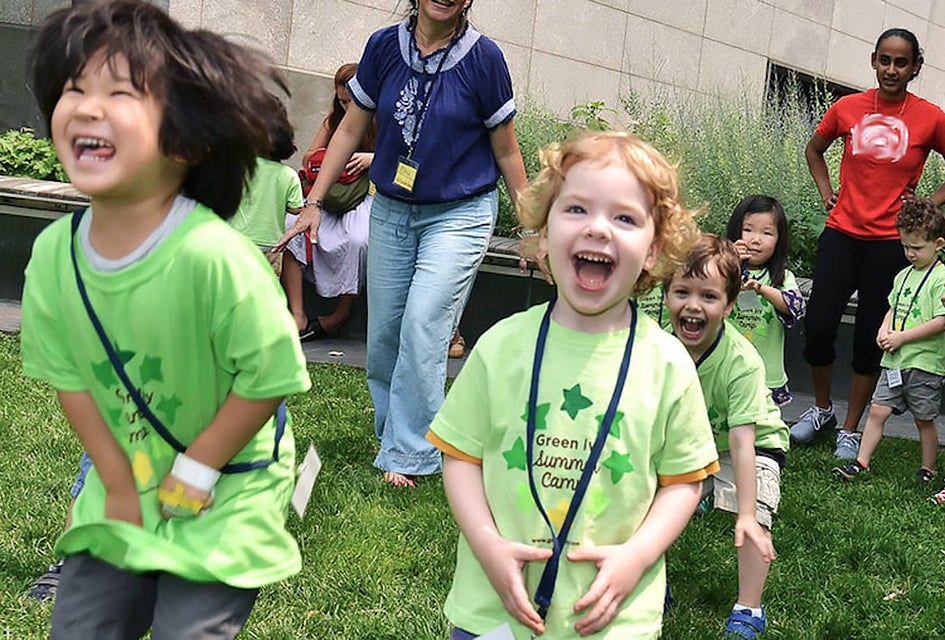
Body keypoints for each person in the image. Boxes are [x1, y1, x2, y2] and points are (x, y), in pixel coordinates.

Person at [20, 2, 312, 637]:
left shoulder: (217, 258)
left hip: (227, 485)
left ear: (182, 140)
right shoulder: (52, 259)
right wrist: (117, 483)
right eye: (74, 89)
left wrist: (201, 465)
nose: (88, 107)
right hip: (125, 478)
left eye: (119, 93)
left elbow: (268, 378)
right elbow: (68, 375)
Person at [427, 130, 719, 639]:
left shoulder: (668, 364)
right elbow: (461, 456)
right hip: (494, 607)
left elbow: (685, 480)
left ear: (653, 250)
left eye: (625, 217)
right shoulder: (499, 347)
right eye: (577, 209)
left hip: (609, 616)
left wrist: (639, 556)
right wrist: (485, 542)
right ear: (543, 233)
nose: (599, 229)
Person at [276, 0, 528, 487]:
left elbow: (506, 148)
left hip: (460, 212)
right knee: (386, 337)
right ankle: (395, 433)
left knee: (423, 326)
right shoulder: (383, 47)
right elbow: (351, 126)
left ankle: (410, 454)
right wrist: (314, 200)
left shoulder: (485, 59)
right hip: (393, 208)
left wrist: (534, 228)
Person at [795, 27, 945, 459]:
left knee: (868, 339)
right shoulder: (847, 108)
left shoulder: (930, 117)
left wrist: (928, 207)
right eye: (885, 60)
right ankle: (821, 409)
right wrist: (826, 192)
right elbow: (814, 150)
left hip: (889, 244)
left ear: (916, 67)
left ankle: (850, 428)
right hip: (842, 232)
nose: (891, 69)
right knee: (819, 326)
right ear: (873, 60)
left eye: (901, 62)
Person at [664, 234, 788, 640]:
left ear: (730, 305)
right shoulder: (658, 347)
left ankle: (748, 607)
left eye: (709, 296)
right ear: (666, 295)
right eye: (682, 291)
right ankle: (649, 579)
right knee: (642, 497)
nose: (693, 305)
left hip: (755, 443)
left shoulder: (742, 361)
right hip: (692, 439)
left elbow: (743, 442)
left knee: (756, 519)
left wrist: (747, 513)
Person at [833, 200, 945, 484]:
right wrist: (884, 330)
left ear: (939, 244)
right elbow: (893, 308)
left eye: (917, 248)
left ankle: (928, 468)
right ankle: (861, 461)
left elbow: (941, 320)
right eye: (906, 246)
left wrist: (902, 337)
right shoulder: (902, 276)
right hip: (894, 360)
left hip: (924, 362)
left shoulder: (941, 279)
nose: (910, 253)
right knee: (878, 410)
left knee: (923, 418)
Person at [284, 62, 375, 339]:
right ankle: (297, 313)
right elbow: (309, 156)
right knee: (292, 227)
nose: (347, 107)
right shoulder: (333, 120)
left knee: (359, 239)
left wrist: (372, 159)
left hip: (363, 196)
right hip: (329, 194)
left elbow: (401, 161)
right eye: (342, 101)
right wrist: (331, 157)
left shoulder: (380, 120)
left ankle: (341, 313)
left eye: (352, 100)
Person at [726, 195, 805, 407]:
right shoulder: (721, 270)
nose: (755, 239)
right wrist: (728, 262)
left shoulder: (782, 277)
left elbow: (794, 306)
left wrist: (761, 289)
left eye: (766, 233)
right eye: (748, 230)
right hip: (726, 365)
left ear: (779, 240)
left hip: (766, 371)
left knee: (762, 427)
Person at [229, 96, 304, 277]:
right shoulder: (288, 175)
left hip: (235, 242)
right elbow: (296, 210)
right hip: (272, 247)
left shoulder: (236, 167)